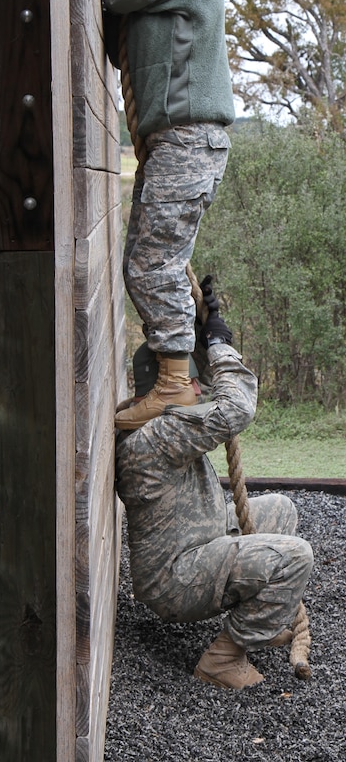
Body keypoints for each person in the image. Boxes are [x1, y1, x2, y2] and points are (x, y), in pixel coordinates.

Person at [115, 295, 314, 690]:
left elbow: (204, 393)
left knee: (281, 509)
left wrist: (204, 329)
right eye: (185, 379)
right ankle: (222, 659)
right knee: (295, 557)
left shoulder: (155, 422)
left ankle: (259, 623)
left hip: (196, 543)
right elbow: (236, 409)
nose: (195, 385)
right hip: (176, 580)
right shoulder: (156, 437)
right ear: (161, 389)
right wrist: (221, 347)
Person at [100, 0, 235, 430]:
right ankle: (174, 376)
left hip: (187, 139)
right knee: (145, 261)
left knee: (152, 264)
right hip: (173, 143)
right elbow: (121, 38)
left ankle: (177, 385)